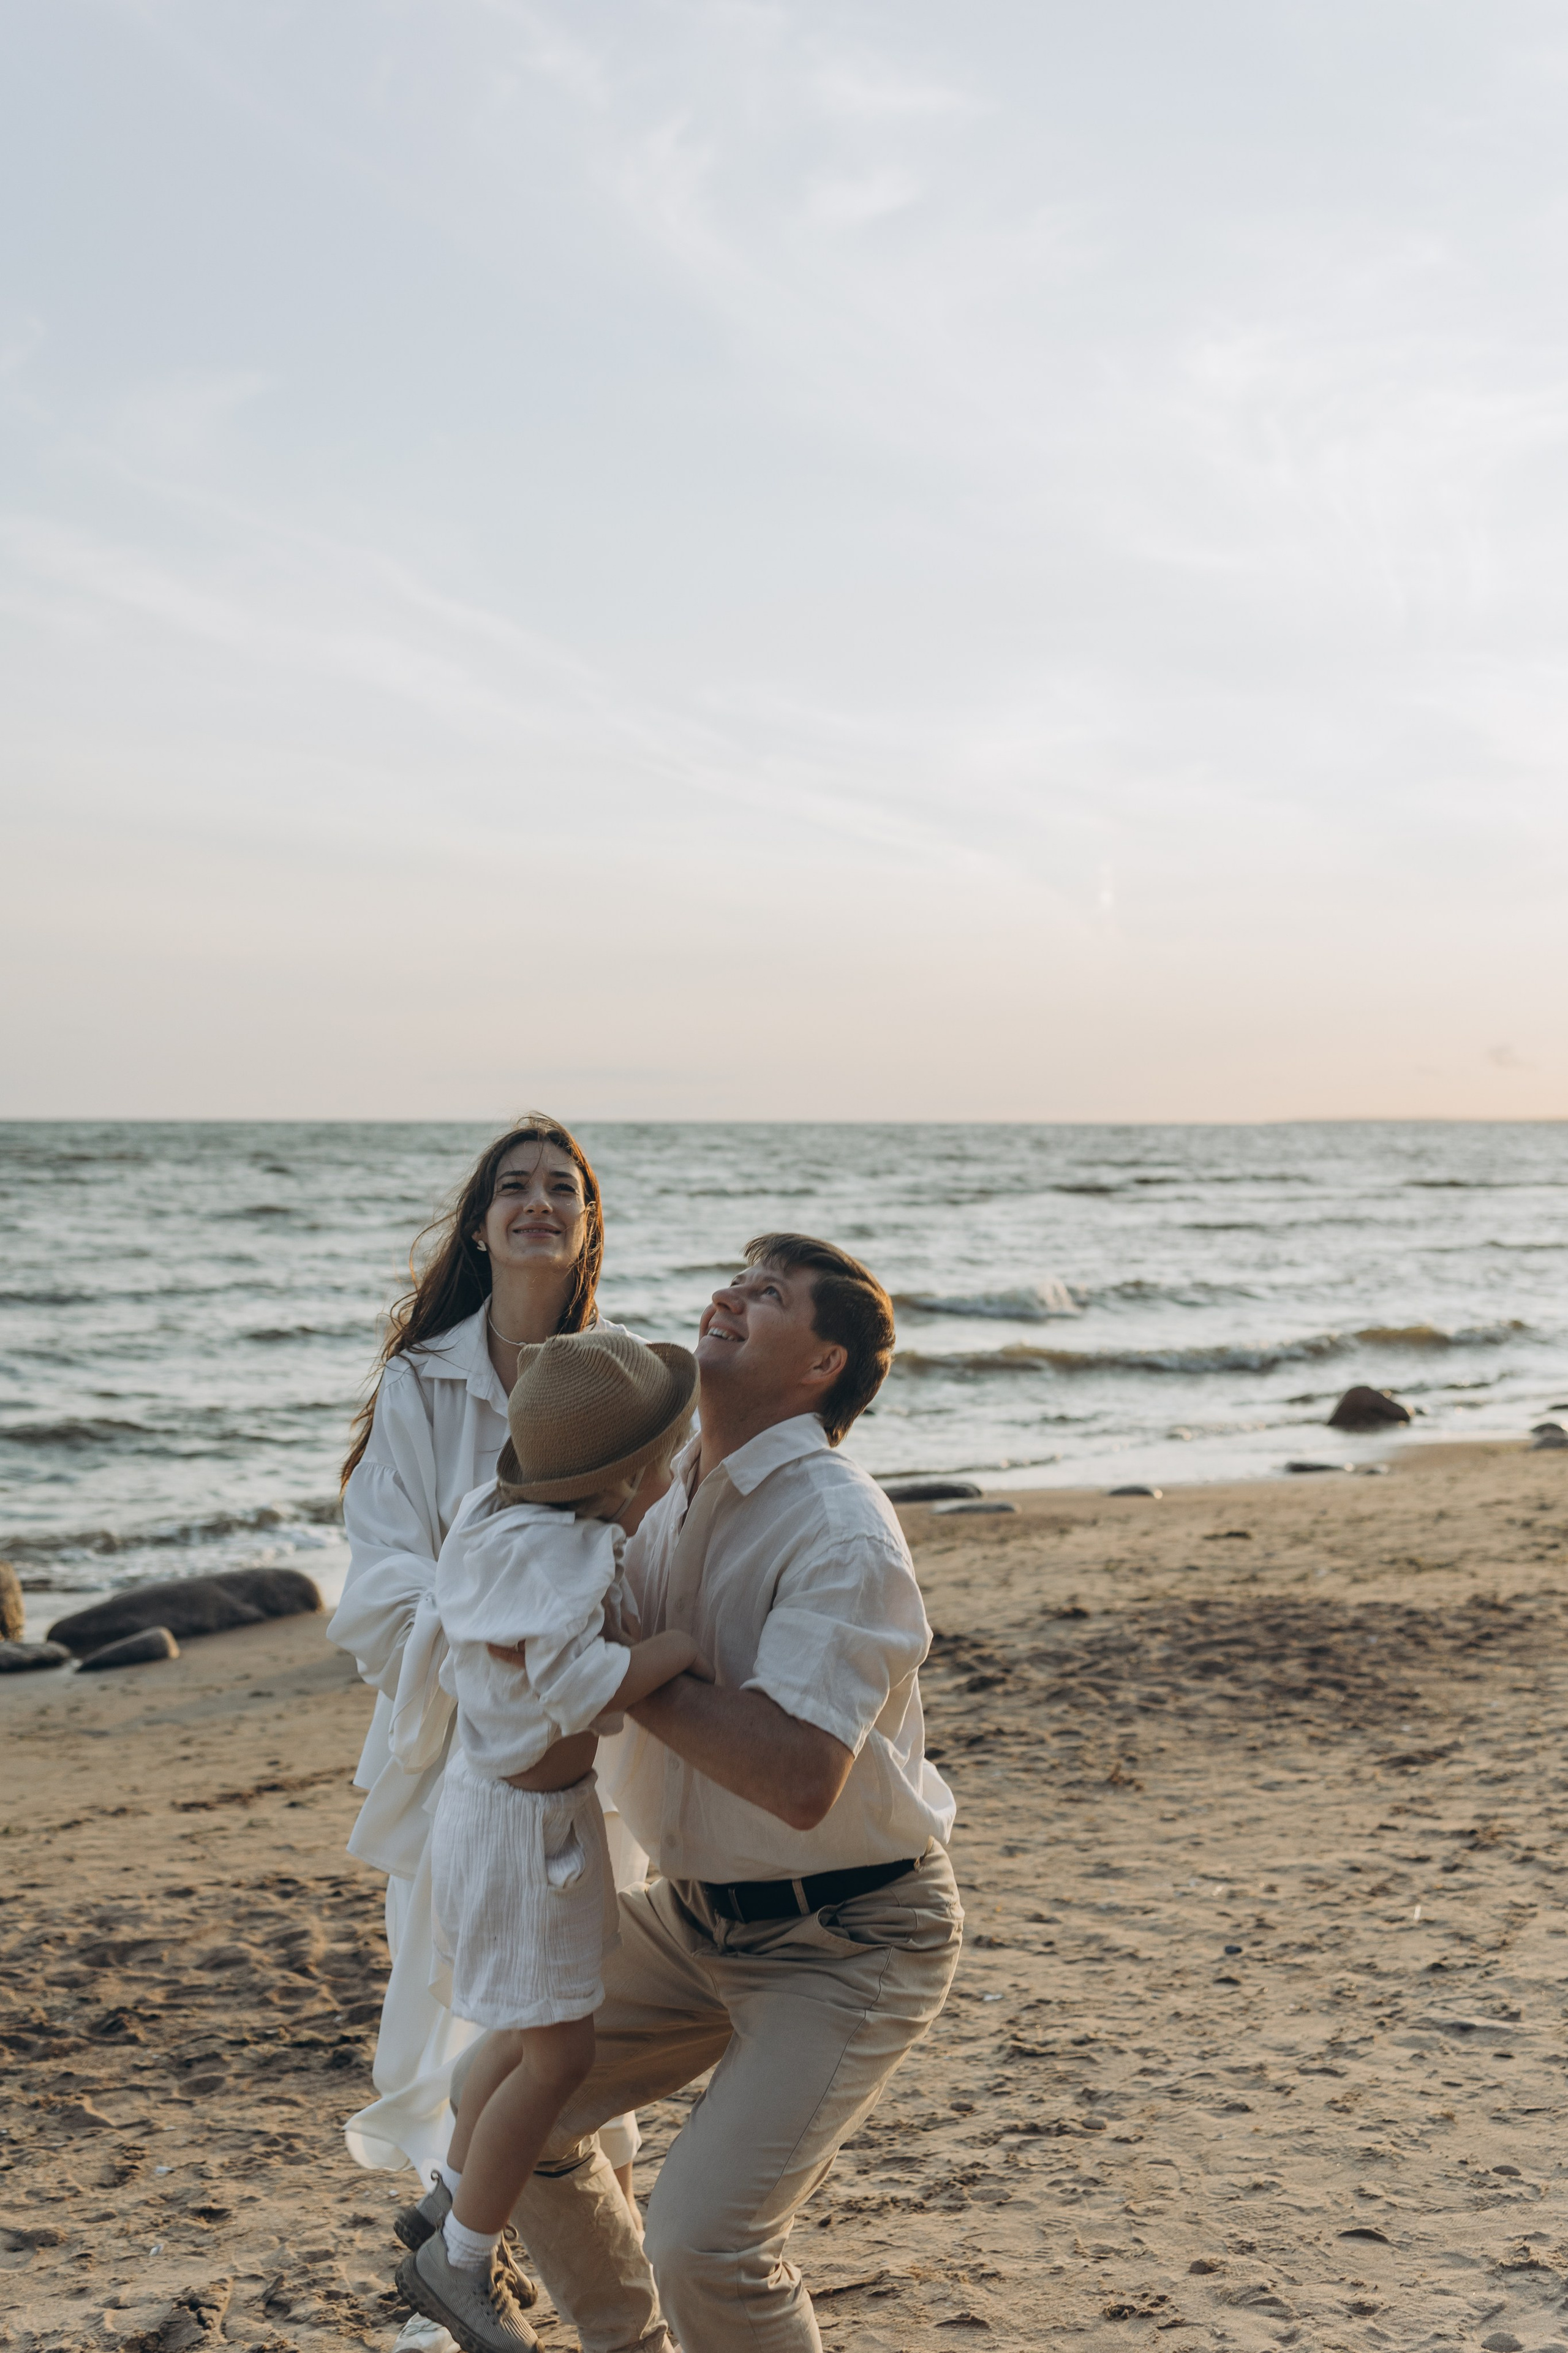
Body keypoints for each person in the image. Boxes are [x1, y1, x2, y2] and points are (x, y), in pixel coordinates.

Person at [460, 1233, 962, 2353]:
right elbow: (573, 1640)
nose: (730, 1294)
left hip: (850, 1933)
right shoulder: (664, 1481)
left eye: (769, 1293)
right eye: (737, 1278)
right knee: (493, 2094)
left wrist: (624, 1668)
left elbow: (796, 1776)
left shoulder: (838, 1527)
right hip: (694, 1919)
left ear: (822, 1364)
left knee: (705, 2240)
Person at [327, 1116, 649, 2347]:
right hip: (459, 1759)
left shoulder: (619, 1371)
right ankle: (456, 2275)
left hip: (599, 1754)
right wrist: (496, 1629)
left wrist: (570, 1637)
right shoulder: (420, 1382)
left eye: (558, 1188)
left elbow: (656, 1542)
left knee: (584, 2024)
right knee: (465, 2006)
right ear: (479, 1225)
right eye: (511, 1186)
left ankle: (567, 2272)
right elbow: (377, 1581)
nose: (534, 1201)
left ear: (585, 1225)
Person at [394, 1328, 711, 2353]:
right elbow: (580, 1687)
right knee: (562, 2054)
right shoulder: (570, 1555)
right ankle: (461, 2260)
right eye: (668, 1456)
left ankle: (450, 2193)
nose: (677, 1464)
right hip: (534, 1835)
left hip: (489, 1810)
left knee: (523, 2037)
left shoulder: (498, 1517)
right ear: (628, 1480)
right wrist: (674, 1649)